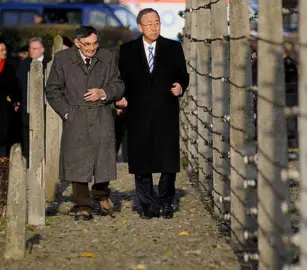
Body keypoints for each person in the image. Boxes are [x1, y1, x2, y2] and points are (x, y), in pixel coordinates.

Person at [46, 25, 124, 221]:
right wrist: (67, 113)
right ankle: (82, 205)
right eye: (87, 44)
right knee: (77, 161)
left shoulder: (107, 57)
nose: (92, 48)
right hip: (76, 116)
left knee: (102, 159)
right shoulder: (63, 59)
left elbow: (118, 84)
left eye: (95, 43)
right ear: (77, 43)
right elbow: (53, 90)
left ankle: (101, 195)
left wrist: (104, 93)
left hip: (101, 115)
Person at [118, 8, 189, 219]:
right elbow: (121, 79)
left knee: (168, 159)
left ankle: (166, 201)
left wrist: (180, 86)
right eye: (149, 23)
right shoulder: (127, 50)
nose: (154, 27)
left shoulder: (173, 47)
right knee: (141, 159)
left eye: (157, 22)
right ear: (140, 27)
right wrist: (120, 99)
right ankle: (147, 204)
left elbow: (182, 75)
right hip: (138, 111)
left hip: (165, 109)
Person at [16, 37, 52, 163]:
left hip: (46, 111)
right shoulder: (23, 64)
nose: (32, 51)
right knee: (27, 144)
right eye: (30, 48)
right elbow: (18, 85)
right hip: (27, 111)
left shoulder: (50, 64)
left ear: (42, 49)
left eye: (35, 48)